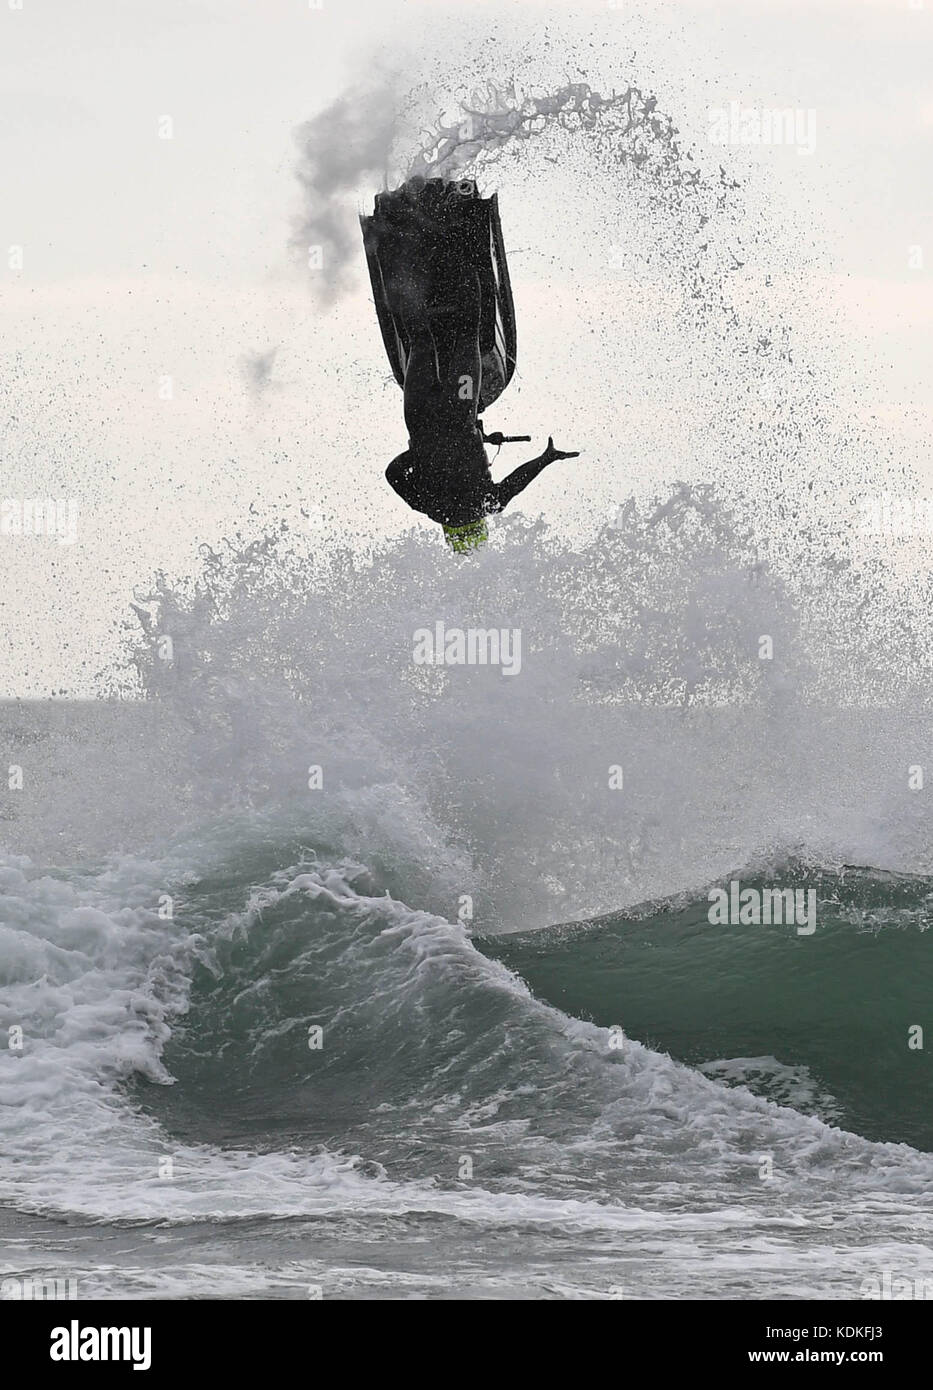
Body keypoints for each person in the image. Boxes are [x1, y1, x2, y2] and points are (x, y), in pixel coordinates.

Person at [384, 263, 580, 553]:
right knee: (420, 341)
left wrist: (547, 458)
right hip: (421, 412)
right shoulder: (429, 506)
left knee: (467, 338)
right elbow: (393, 474)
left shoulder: (488, 504)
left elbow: (517, 481)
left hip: (459, 405)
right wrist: (423, 451)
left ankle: (467, 266)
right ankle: (408, 271)